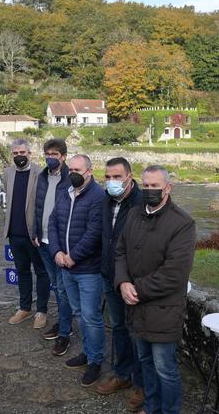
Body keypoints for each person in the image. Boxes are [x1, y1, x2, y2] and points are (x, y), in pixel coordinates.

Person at [115, 165, 196, 414]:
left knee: (165, 368)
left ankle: (169, 411)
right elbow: (120, 252)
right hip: (136, 307)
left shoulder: (183, 224)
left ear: (167, 188)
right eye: (146, 185)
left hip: (163, 309)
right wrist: (122, 282)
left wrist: (135, 289)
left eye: (155, 186)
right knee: (146, 363)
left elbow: (174, 274)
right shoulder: (134, 214)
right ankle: (151, 407)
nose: (149, 190)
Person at [49, 154, 104, 387]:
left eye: (77, 169)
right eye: (70, 168)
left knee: (91, 317)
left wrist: (74, 256)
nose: (72, 172)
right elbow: (52, 224)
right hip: (65, 266)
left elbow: (94, 233)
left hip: (88, 269)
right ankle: (87, 353)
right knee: (79, 314)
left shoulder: (98, 196)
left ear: (89, 172)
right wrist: (56, 252)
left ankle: (96, 361)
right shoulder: (65, 191)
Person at [95, 157, 145, 411]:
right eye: (107, 177)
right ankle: (122, 374)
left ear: (129, 176)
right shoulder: (106, 200)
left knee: (138, 333)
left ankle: (142, 384)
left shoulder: (142, 203)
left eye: (117, 177)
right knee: (118, 328)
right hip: (109, 276)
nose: (112, 181)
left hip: (134, 282)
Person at [33, 138, 74, 355]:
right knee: (57, 288)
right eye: (47, 154)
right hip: (43, 242)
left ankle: (65, 333)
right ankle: (63, 322)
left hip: (61, 244)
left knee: (63, 289)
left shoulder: (70, 178)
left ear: (63, 157)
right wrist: (35, 232)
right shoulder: (41, 177)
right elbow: (37, 207)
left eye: (55, 154)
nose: (50, 158)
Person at [4, 139, 49, 328]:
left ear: (29, 153)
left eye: (22, 152)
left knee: (41, 271)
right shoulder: (8, 172)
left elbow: (44, 204)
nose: (19, 156)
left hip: (34, 234)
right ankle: (24, 308)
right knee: (22, 271)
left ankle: (42, 311)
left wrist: (39, 230)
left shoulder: (40, 172)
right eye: (15, 153)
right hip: (14, 233)